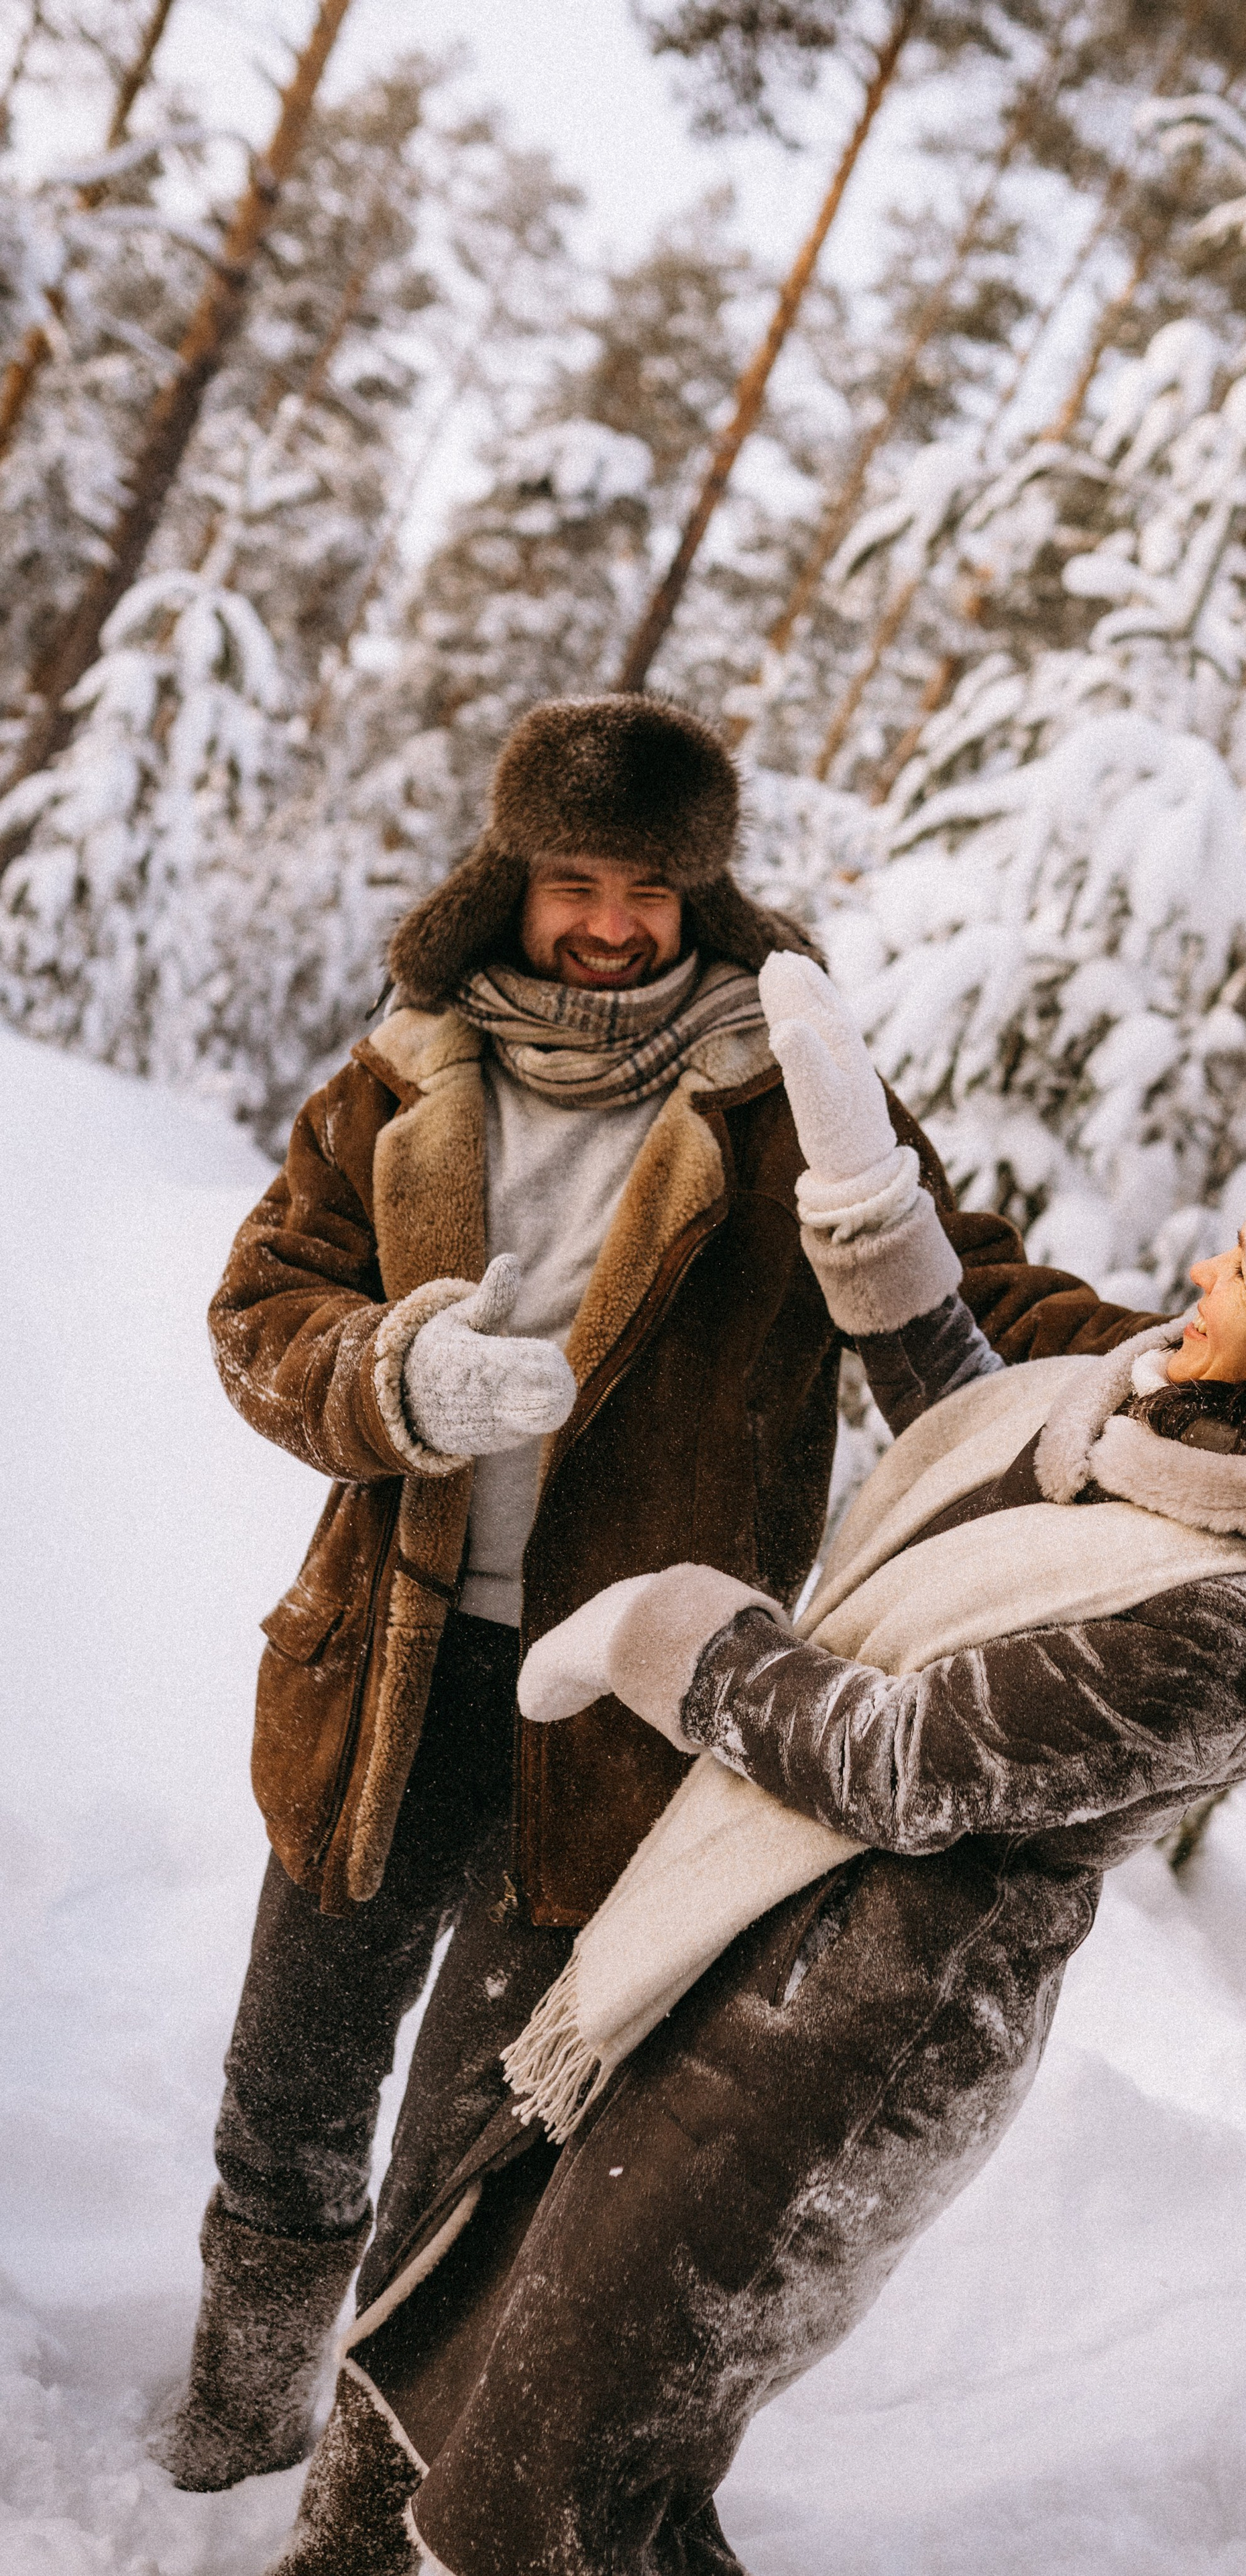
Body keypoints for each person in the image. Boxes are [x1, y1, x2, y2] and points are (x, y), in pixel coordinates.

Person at [267, 956, 1246, 2576]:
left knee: (583, 2452)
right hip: (748, 1950)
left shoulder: (1232, 1619)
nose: (1207, 1264)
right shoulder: (1160, 1430)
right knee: (505, 2334)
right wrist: (868, 1195)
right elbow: (972, 1417)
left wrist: (673, 1636)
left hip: (840, 2049)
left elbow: (900, 1763)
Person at [154, 699, 1152, 2494]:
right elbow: (260, 1311)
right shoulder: (403, 1068)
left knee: (475, 2156)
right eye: (575, 881)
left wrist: (1170, 1370)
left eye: (652, 887)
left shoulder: (783, 1089)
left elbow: (971, 1285)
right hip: (377, 1691)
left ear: (706, 890)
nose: (612, 921)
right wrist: (389, 1379)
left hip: (620, 1722)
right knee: (289, 2103)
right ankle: (229, 2433)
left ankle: (362, 2524)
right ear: (514, 875)